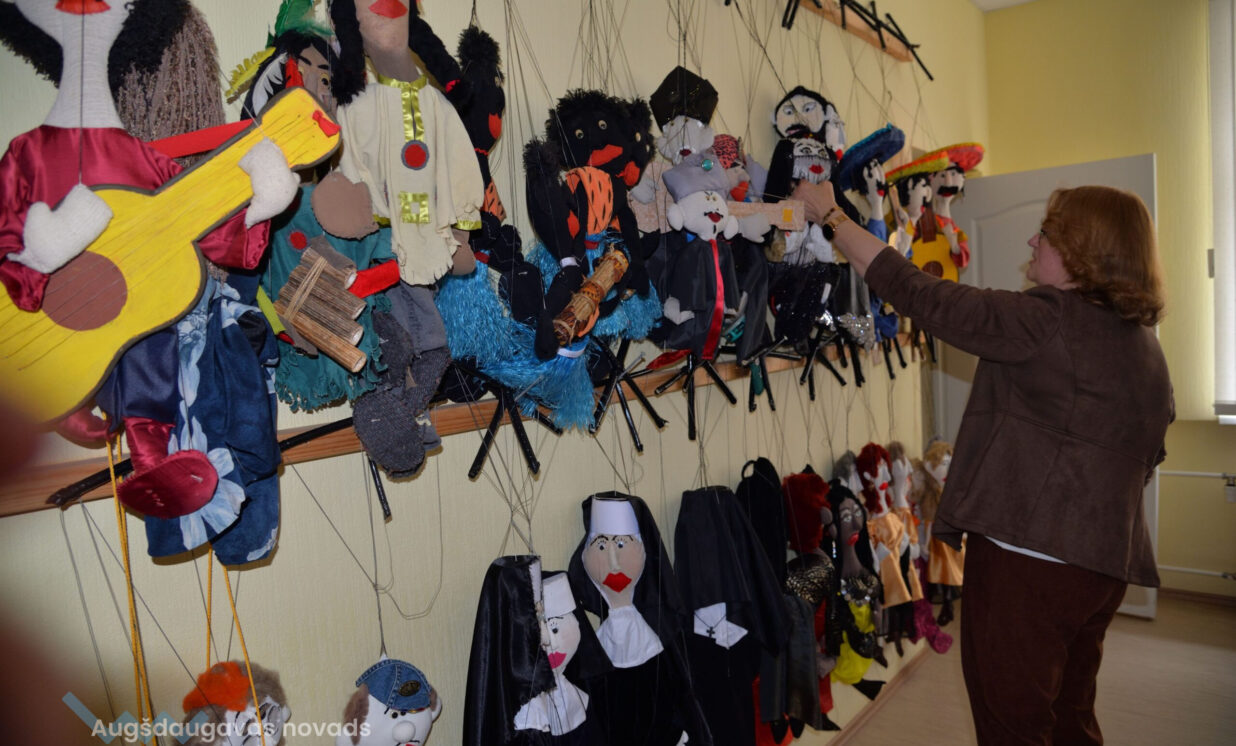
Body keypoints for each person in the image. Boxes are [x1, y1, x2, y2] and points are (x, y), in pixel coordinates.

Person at [792, 179, 1173, 745]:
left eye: (1047, 234)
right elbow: (1148, 455)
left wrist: (831, 215)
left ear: (1082, 251)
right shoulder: (1144, 346)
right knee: (1071, 715)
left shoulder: (1046, 319)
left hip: (1031, 567)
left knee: (1012, 726)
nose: (1033, 241)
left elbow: (919, 292)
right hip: (1103, 568)